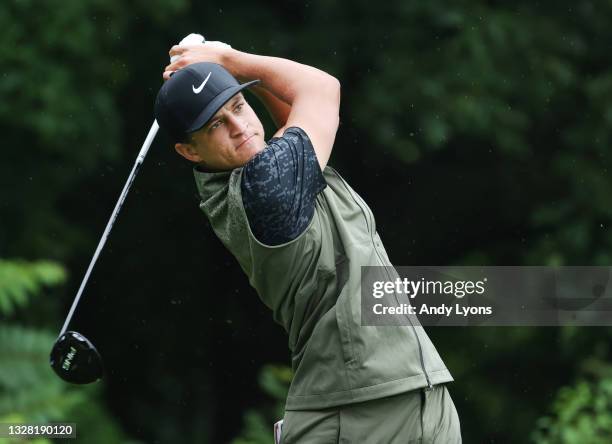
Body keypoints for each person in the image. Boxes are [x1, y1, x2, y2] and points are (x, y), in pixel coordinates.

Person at [155, 40, 461, 443]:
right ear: (189, 151)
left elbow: (292, 113)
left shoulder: (260, 169)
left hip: (407, 394)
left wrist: (231, 74)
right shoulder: (264, 186)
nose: (239, 126)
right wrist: (230, 59)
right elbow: (321, 89)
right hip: (356, 412)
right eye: (215, 125)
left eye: (239, 106)